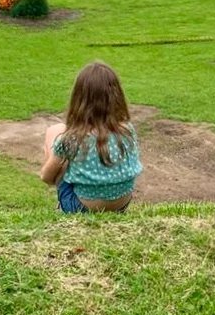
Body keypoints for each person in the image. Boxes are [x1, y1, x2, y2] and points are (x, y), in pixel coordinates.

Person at [39, 61, 142, 214]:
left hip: (83, 208)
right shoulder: (127, 129)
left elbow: (46, 178)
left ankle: (63, 206)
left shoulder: (73, 137)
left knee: (55, 130)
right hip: (122, 204)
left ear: (79, 98)